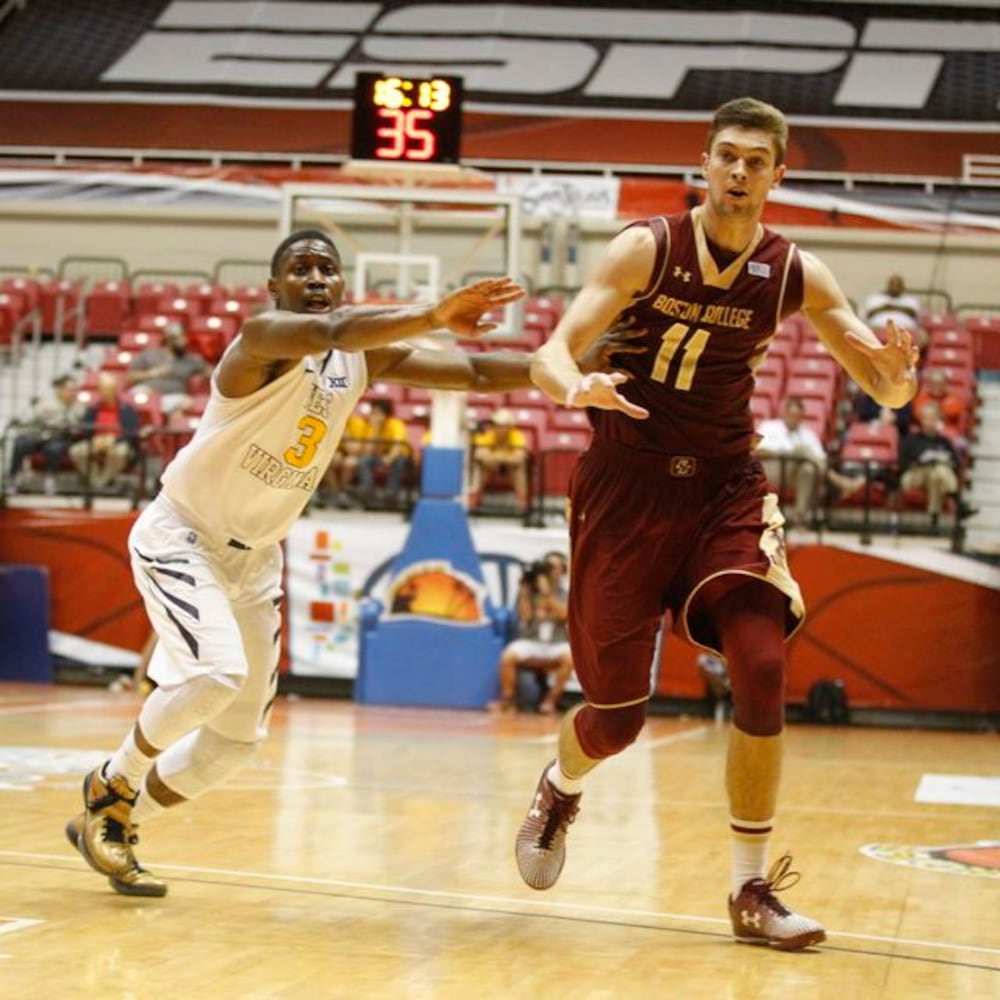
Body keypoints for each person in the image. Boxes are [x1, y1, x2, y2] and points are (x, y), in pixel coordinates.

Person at [64, 229, 651, 898]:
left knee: (235, 744)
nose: (316, 279)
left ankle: (112, 822)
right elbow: (335, 329)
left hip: (255, 561)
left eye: (327, 269)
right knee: (215, 674)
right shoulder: (259, 340)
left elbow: (475, 372)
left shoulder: (359, 361)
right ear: (275, 288)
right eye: (301, 269)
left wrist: (568, 363)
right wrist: (434, 314)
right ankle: (107, 787)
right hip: (185, 535)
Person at [516, 97, 918, 951]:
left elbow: (883, 387)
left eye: (756, 160)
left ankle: (749, 888)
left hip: (727, 489)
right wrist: (571, 387)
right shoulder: (646, 248)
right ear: (703, 162)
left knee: (763, 662)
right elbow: (549, 351)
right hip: (626, 490)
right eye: (726, 156)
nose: (739, 172)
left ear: (779, 173)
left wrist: (894, 380)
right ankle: (560, 784)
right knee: (616, 719)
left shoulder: (796, 272)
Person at [755, 396, 863, 528]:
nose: (793, 418)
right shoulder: (769, 427)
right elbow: (758, 451)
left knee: (809, 469)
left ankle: (799, 519)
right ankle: (839, 481)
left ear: (802, 417)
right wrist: (787, 453)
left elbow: (820, 459)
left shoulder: (808, 434)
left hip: (796, 474)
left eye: (797, 416)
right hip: (773, 468)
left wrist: (799, 455)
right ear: (785, 413)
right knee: (802, 450)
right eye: (791, 414)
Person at [489, 555, 573, 715]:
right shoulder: (530, 591)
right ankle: (508, 700)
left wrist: (547, 593)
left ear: (563, 571)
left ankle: (551, 700)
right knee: (508, 656)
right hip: (531, 640)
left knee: (569, 658)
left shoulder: (565, 593)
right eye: (548, 567)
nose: (550, 571)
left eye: (555, 567)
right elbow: (525, 616)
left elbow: (564, 615)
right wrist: (524, 591)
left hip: (555, 643)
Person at [6, 373, 84, 494]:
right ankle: (14, 478)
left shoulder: (79, 407)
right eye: (70, 390)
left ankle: (50, 479)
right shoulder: (45, 403)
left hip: (60, 437)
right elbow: (29, 418)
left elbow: (79, 426)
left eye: (75, 390)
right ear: (60, 390)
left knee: (54, 449)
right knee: (21, 443)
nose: (73, 393)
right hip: (38, 434)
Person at [68, 371, 142, 490]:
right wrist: (94, 440)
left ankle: (99, 483)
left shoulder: (127, 409)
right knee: (77, 451)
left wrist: (114, 439)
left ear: (114, 390)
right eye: (101, 389)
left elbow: (132, 432)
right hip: (95, 441)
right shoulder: (93, 408)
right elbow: (84, 428)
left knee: (120, 453)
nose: (103, 393)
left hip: (118, 442)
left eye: (106, 389)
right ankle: (97, 481)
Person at [899, 400, 962, 530]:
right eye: (926, 418)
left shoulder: (944, 441)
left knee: (936, 474)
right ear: (921, 420)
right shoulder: (912, 439)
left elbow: (956, 463)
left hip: (934, 478)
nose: (929, 422)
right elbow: (903, 462)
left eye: (933, 418)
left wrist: (941, 459)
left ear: (938, 420)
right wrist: (923, 460)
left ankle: (934, 516)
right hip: (914, 475)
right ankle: (954, 496)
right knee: (938, 470)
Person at [126, 320, 210, 414]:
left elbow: (210, 372)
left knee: (187, 403)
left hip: (172, 398)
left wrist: (208, 375)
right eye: (179, 337)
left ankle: (172, 428)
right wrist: (154, 373)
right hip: (148, 393)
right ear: (169, 339)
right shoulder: (149, 354)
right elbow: (130, 377)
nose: (184, 341)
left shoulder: (191, 359)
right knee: (133, 397)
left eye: (184, 337)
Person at [354, 398, 412, 507]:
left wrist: (389, 459)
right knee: (364, 460)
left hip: (398, 456)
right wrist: (375, 429)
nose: (374, 415)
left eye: (378, 412)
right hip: (380, 457)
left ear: (386, 413)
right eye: (373, 412)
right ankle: (368, 492)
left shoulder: (396, 424)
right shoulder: (370, 426)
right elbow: (367, 451)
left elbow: (398, 446)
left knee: (399, 462)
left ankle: (391, 494)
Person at [469, 407, 530, 510]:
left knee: (519, 470)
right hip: (492, 466)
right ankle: (473, 501)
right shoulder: (488, 434)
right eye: (497, 425)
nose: (500, 428)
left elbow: (519, 458)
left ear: (510, 426)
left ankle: (523, 505)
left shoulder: (517, 436)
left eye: (503, 425)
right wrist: (504, 457)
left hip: (510, 467)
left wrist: (496, 456)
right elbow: (480, 455)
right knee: (481, 468)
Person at [860, 273, 924, 342]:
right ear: (888, 285)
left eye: (898, 285)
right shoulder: (875, 299)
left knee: (923, 336)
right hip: (878, 329)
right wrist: (884, 308)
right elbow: (867, 315)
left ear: (902, 286)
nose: (895, 287)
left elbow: (915, 315)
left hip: (905, 331)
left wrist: (892, 308)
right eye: (892, 284)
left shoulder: (911, 300)